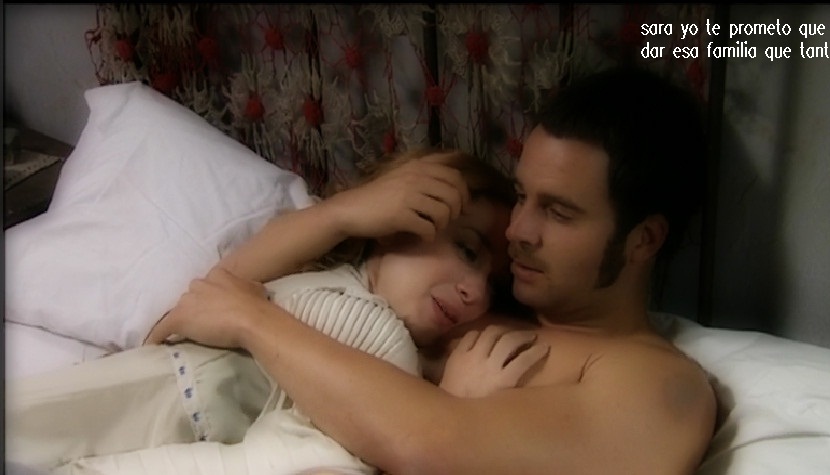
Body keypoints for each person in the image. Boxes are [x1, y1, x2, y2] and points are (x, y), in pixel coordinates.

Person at [146, 66, 718, 474]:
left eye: (559, 212)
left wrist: (253, 321)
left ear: (643, 240)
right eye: (523, 196)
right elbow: (234, 286)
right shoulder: (479, 297)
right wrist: (344, 214)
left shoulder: (658, 387)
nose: (519, 229)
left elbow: (426, 443)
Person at [5, 148, 547, 475]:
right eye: (467, 250)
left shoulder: (411, 368)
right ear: (396, 223)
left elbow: (406, 439)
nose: (476, 293)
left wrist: (458, 411)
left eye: (494, 288)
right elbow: (222, 286)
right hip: (166, 385)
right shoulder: (316, 270)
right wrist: (348, 212)